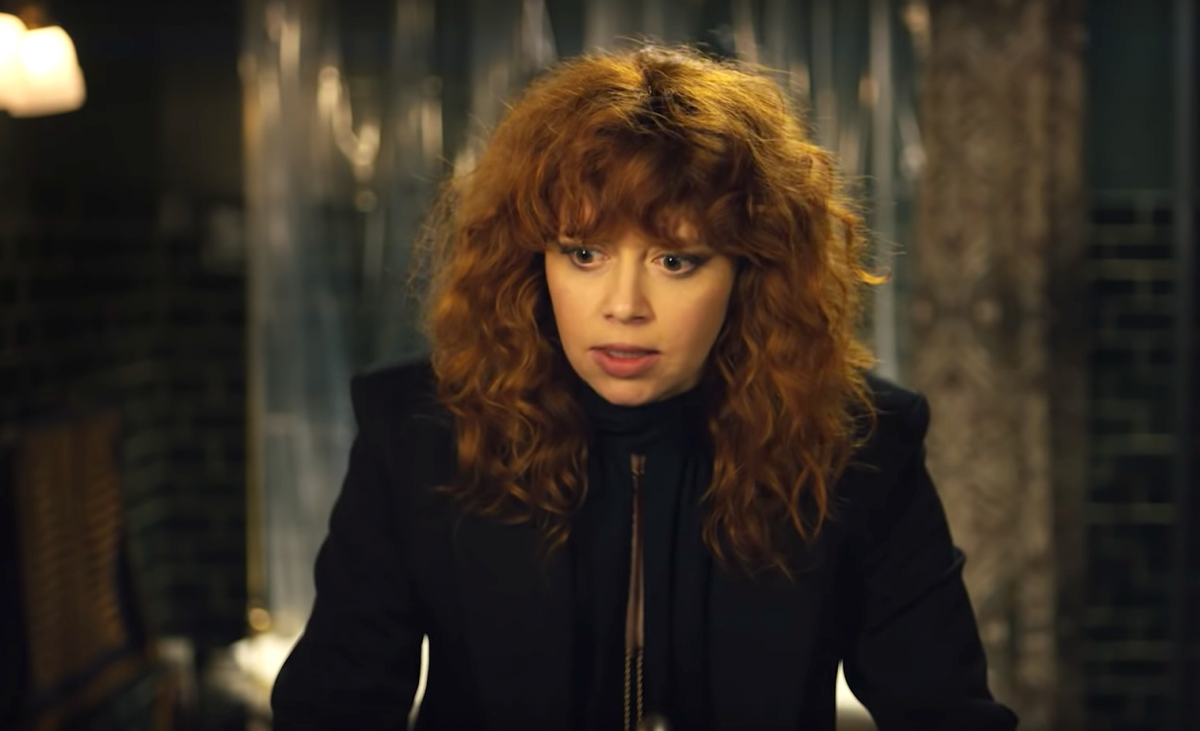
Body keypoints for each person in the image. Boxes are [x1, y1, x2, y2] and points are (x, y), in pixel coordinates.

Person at [269, 45, 1019, 731]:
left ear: (749, 274)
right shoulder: (418, 433)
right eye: (585, 253)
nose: (624, 306)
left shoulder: (861, 446)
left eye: (675, 260)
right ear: (533, 262)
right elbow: (331, 710)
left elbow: (947, 715)